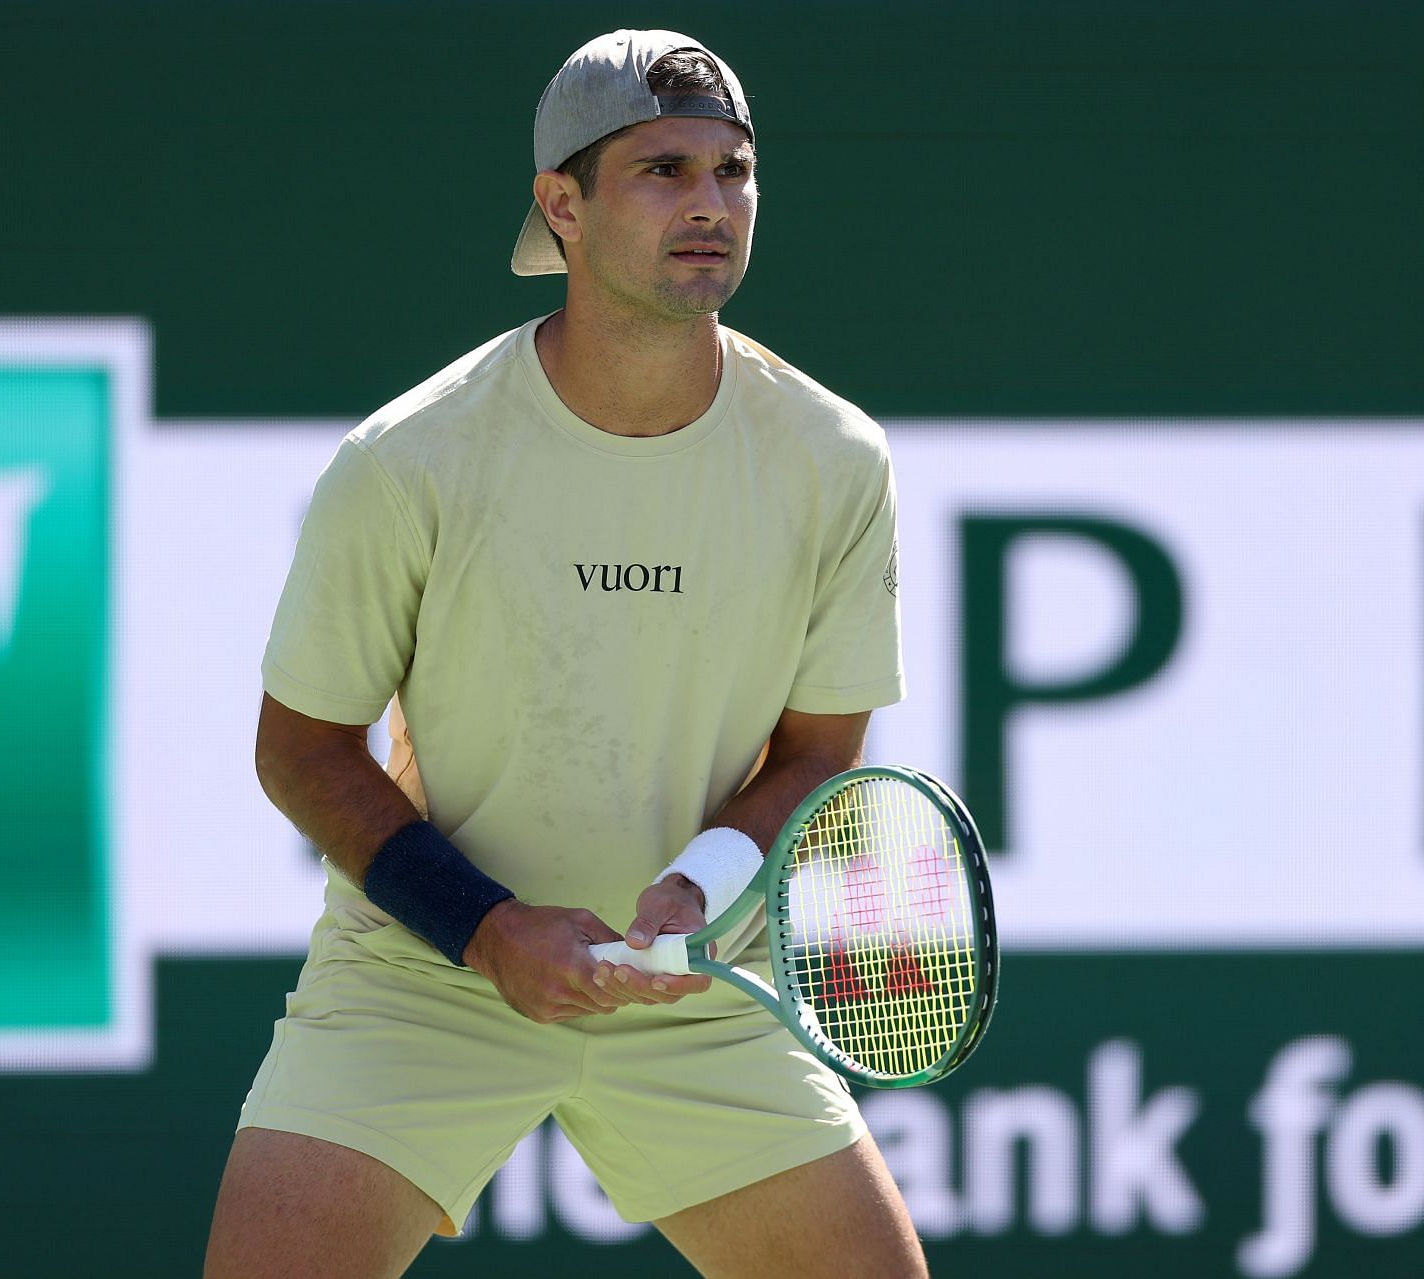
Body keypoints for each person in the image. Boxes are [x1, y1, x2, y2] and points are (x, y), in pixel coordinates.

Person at [203, 29, 922, 1278]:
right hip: (421, 976)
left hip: (694, 986)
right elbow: (302, 750)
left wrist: (699, 883)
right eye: (662, 171)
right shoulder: (409, 460)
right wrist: (483, 930)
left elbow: (819, 752)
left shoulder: (836, 459)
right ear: (562, 205)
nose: (710, 204)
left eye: (732, 170)